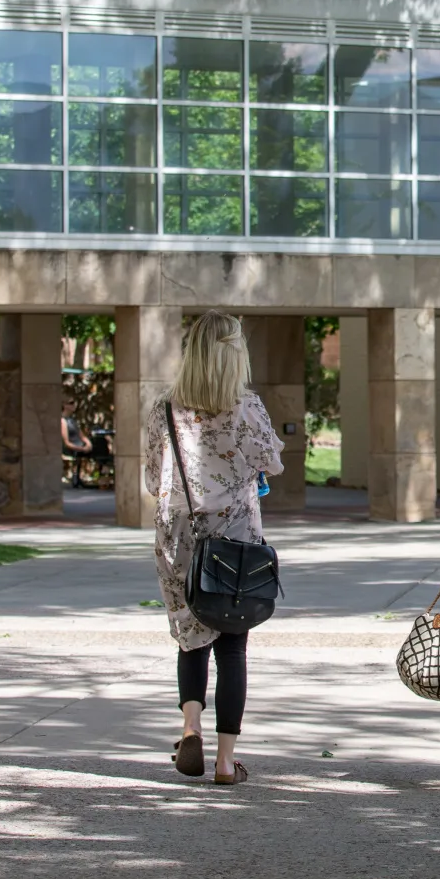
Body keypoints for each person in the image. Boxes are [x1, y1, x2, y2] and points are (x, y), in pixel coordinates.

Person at [148, 311, 284, 785]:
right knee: (232, 643)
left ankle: (189, 728)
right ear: (233, 353)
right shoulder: (245, 406)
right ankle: (226, 762)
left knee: (191, 636)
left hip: (179, 538)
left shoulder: (165, 407)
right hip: (235, 540)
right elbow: (272, 460)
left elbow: (152, 477)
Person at [62, 405, 94, 487]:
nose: (73, 405)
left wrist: (88, 444)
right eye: (71, 403)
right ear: (64, 405)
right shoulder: (63, 421)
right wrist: (82, 448)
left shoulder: (73, 421)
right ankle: (76, 477)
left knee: (99, 445)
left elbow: (82, 436)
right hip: (72, 447)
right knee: (80, 454)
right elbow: (66, 442)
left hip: (80, 445)